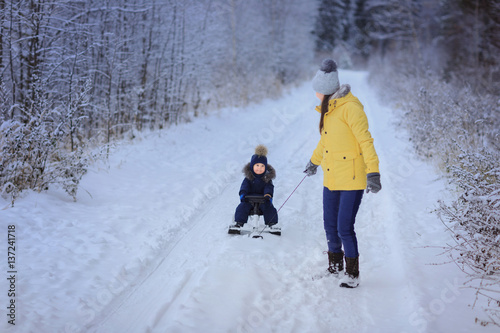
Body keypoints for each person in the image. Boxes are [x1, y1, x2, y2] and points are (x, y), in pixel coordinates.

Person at [304, 59, 382, 288]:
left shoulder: (351, 109)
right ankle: (335, 267)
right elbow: (325, 144)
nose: (316, 94)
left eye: (318, 90)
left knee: (344, 227)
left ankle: (352, 274)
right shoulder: (329, 110)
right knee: (330, 225)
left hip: (352, 178)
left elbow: (366, 141)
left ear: (327, 90)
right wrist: (313, 162)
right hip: (332, 176)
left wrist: (373, 173)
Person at [233, 145, 278, 227]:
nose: (259, 168)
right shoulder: (248, 178)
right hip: (249, 200)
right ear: (252, 166)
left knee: (269, 208)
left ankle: (272, 224)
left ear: (265, 167)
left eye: (262, 166)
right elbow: (244, 186)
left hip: (263, 200)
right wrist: (243, 194)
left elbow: (269, 187)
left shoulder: (267, 178)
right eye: (257, 166)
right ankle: (239, 223)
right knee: (242, 207)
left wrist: (268, 195)